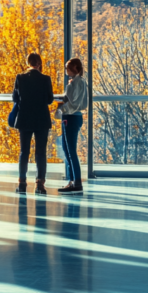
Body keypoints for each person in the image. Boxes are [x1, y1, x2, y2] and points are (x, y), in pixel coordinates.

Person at [12, 53, 54, 194]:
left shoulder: (20, 78)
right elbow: (49, 100)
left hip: (24, 119)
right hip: (41, 119)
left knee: (24, 152)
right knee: (41, 153)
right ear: (39, 64)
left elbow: (15, 98)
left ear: (28, 62)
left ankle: (22, 183)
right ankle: (40, 184)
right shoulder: (46, 79)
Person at [58, 58, 87, 194]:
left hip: (71, 117)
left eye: (67, 68)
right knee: (67, 148)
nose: (65, 71)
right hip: (71, 117)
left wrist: (62, 108)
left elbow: (74, 103)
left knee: (70, 150)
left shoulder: (77, 83)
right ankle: (72, 181)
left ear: (74, 68)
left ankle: (76, 181)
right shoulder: (77, 82)